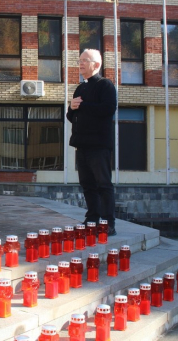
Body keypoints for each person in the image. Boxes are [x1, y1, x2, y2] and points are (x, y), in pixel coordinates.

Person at [66, 49, 117, 236]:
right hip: (82, 144)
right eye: (79, 60)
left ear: (96, 64)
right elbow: (72, 116)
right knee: (87, 184)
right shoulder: (80, 88)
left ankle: (108, 222)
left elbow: (108, 109)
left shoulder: (105, 85)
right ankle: (92, 218)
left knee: (103, 184)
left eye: (84, 60)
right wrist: (71, 109)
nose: (80, 64)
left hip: (99, 145)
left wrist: (82, 106)